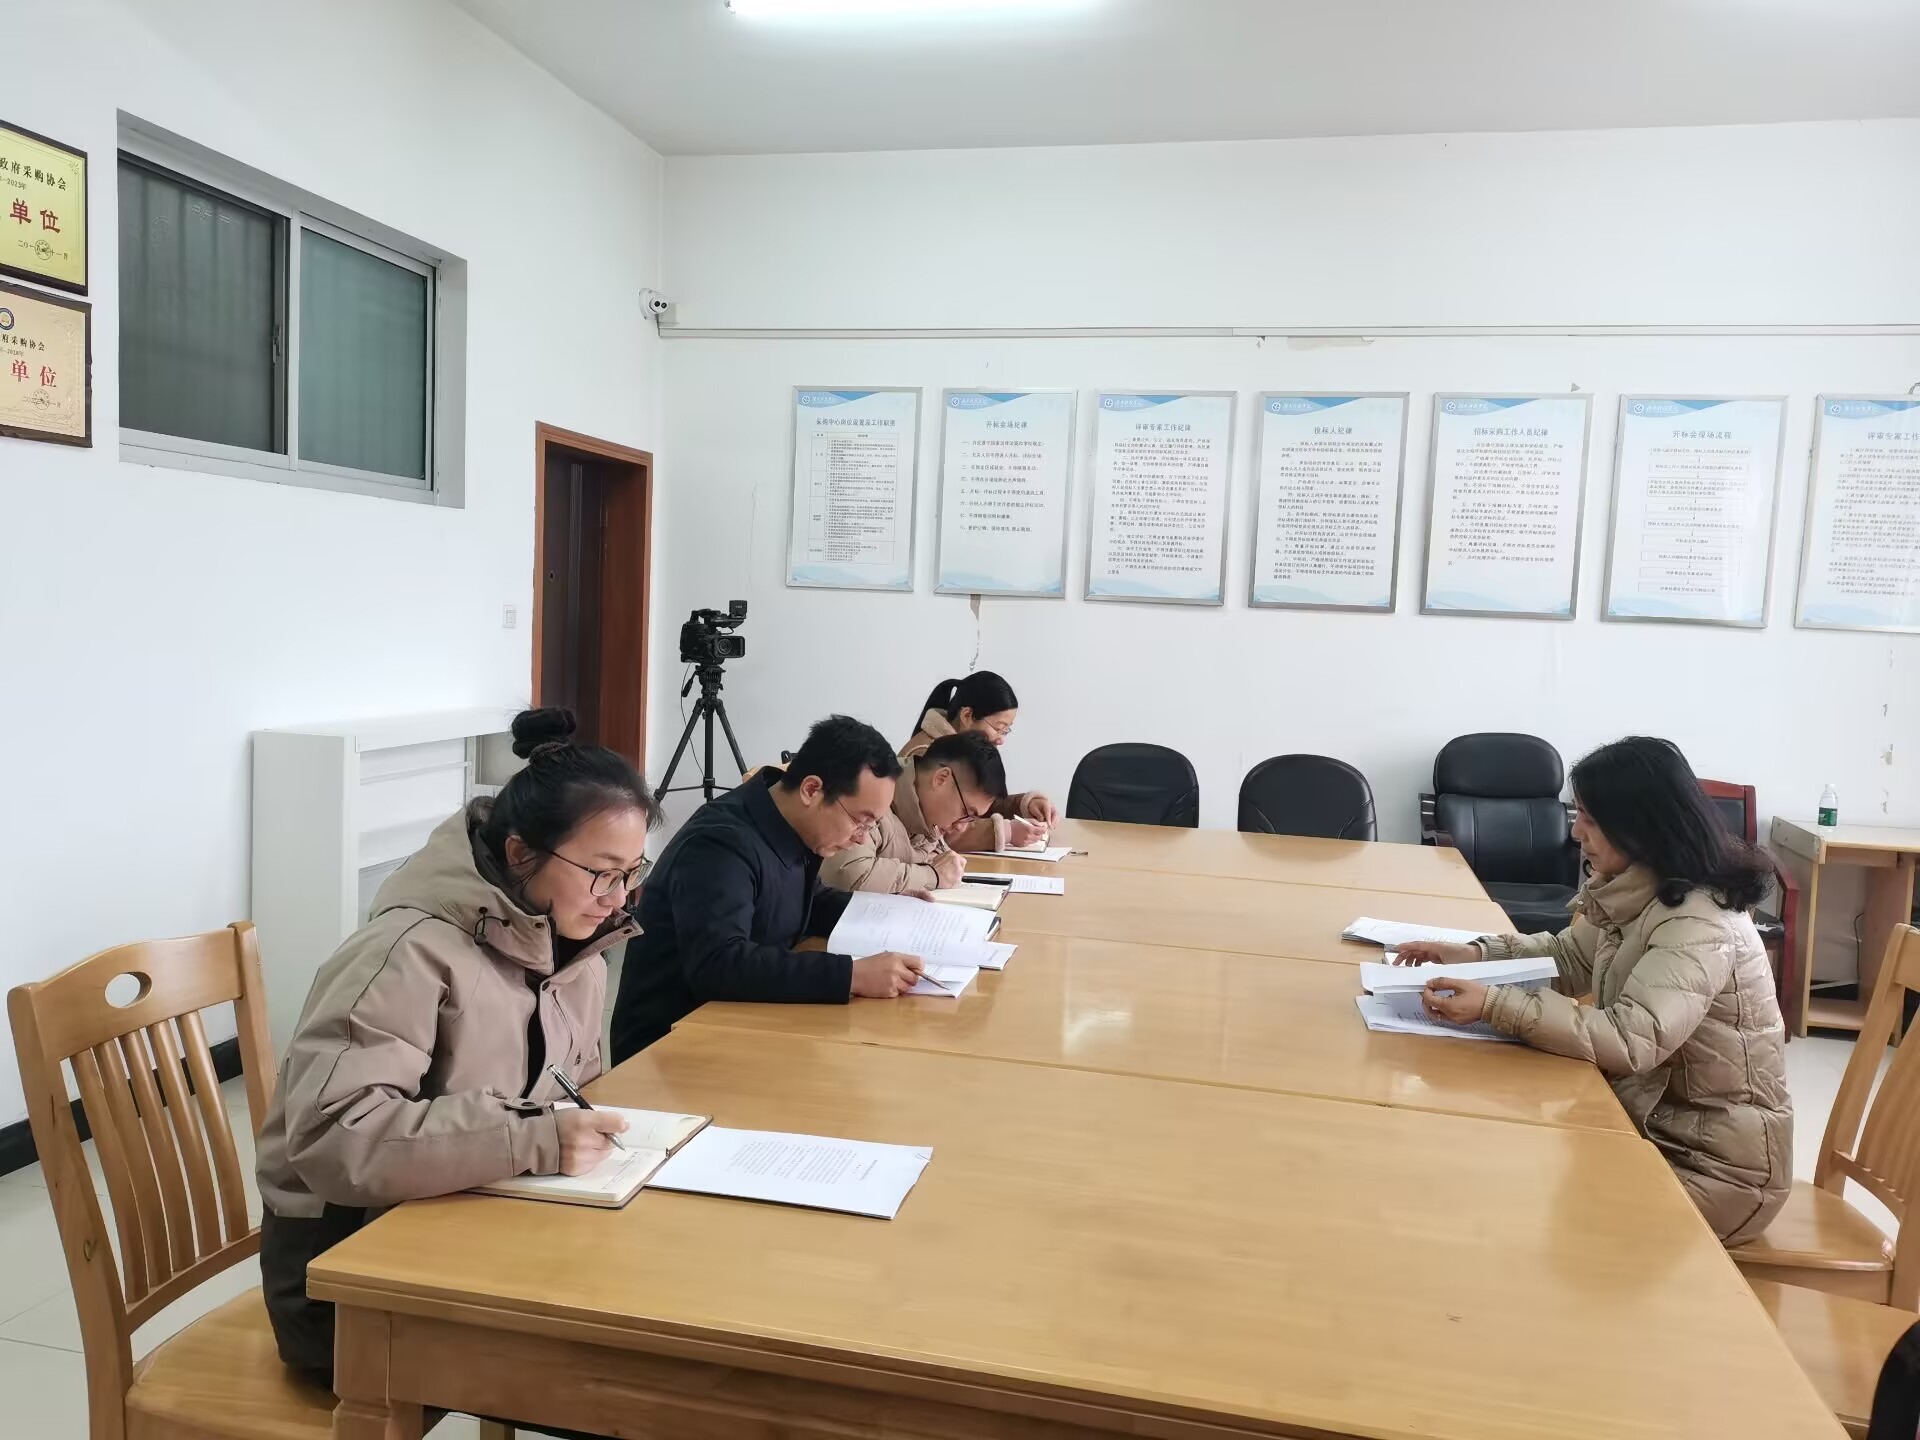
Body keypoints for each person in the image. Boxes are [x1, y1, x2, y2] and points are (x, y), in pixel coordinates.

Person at [256, 708, 654, 1387]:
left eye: (632, 872)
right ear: (520, 853)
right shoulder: (406, 951)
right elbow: (333, 1137)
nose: (616, 899)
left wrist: (564, 1137)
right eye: (600, 872)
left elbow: (569, 1091)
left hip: (477, 1222)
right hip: (347, 1280)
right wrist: (535, 1139)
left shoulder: (573, 943)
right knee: (618, 1368)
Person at [1400, 735, 1792, 1246]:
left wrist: (1496, 1004)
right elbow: (1567, 958)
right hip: (1651, 1130)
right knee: (1491, 1170)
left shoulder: (1700, 921)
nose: (1574, 831)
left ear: (1639, 824)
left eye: (1589, 817)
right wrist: (1470, 954)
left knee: (1511, 1211)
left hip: (1714, 1171)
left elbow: (1631, 1039)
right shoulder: (1639, 888)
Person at [610, 714, 925, 1060]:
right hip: (668, 1047)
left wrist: (890, 912)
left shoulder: (789, 822)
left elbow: (807, 902)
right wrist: (852, 975)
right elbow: (719, 964)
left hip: (737, 1024)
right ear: (811, 790)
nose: (862, 838)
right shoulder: (721, 844)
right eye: (860, 821)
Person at [821, 730, 1009, 893]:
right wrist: (932, 876)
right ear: (941, 779)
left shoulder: (927, 820)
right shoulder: (875, 790)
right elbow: (847, 874)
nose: (961, 827)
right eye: (966, 812)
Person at [902, 672, 1058, 852]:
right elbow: (938, 831)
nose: (1001, 739)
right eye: (998, 728)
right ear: (967, 715)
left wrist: (1025, 804)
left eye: (1006, 731)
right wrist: (1006, 832)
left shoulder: (961, 750)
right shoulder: (925, 753)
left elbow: (975, 804)